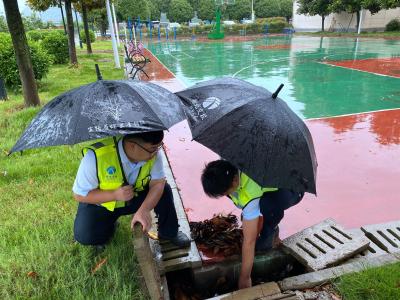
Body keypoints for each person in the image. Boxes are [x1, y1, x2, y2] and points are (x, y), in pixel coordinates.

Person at [72, 131, 190, 248]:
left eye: (158, 147)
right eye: (152, 149)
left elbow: (158, 184)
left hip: (135, 197)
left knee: (165, 190)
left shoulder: (153, 154)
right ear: (132, 145)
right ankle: (109, 227)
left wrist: (144, 210)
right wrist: (114, 195)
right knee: (86, 236)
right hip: (103, 204)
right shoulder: (95, 157)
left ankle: (169, 233)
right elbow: (79, 195)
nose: (155, 153)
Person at [201, 160, 304, 289]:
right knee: (250, 211)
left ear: (234, 181)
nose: (225, 195)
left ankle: (270, 231)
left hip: (293, 187)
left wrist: (245, 277)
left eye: (226, 192)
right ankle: (255, 216)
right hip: (266, 177)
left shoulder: (251, 192)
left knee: (268, 206)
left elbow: (249, 242)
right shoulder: (228, 163)